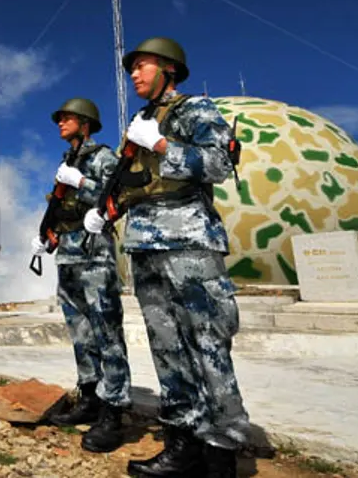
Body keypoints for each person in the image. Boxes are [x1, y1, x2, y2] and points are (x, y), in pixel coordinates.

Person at [82, 37, 251, 478]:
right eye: (131, 68)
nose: (134, 74)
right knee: (166, 348)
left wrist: (160, 146)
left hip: (189, 240)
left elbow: (219, 165)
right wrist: (104, 211)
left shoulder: (194, 110)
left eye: (143, 66)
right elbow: (132, 184)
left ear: (168, 69)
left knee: (208, 345)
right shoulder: (139, 122)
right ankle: (183, 443)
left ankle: (221, 451)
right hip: (144, 244)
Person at [31, 97, 132, 453]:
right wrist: (48, 234)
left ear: (85, 123)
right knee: (80, 332)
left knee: (106, 331)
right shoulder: (67, 161)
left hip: (94, 251)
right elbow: (63, 204)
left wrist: (83, 182)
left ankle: (114, 410)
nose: (60, 123)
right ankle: (89, 396)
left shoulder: (102, 157)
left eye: (68, 118)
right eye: (59, 118)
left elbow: (119, 194)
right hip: (69, 253)